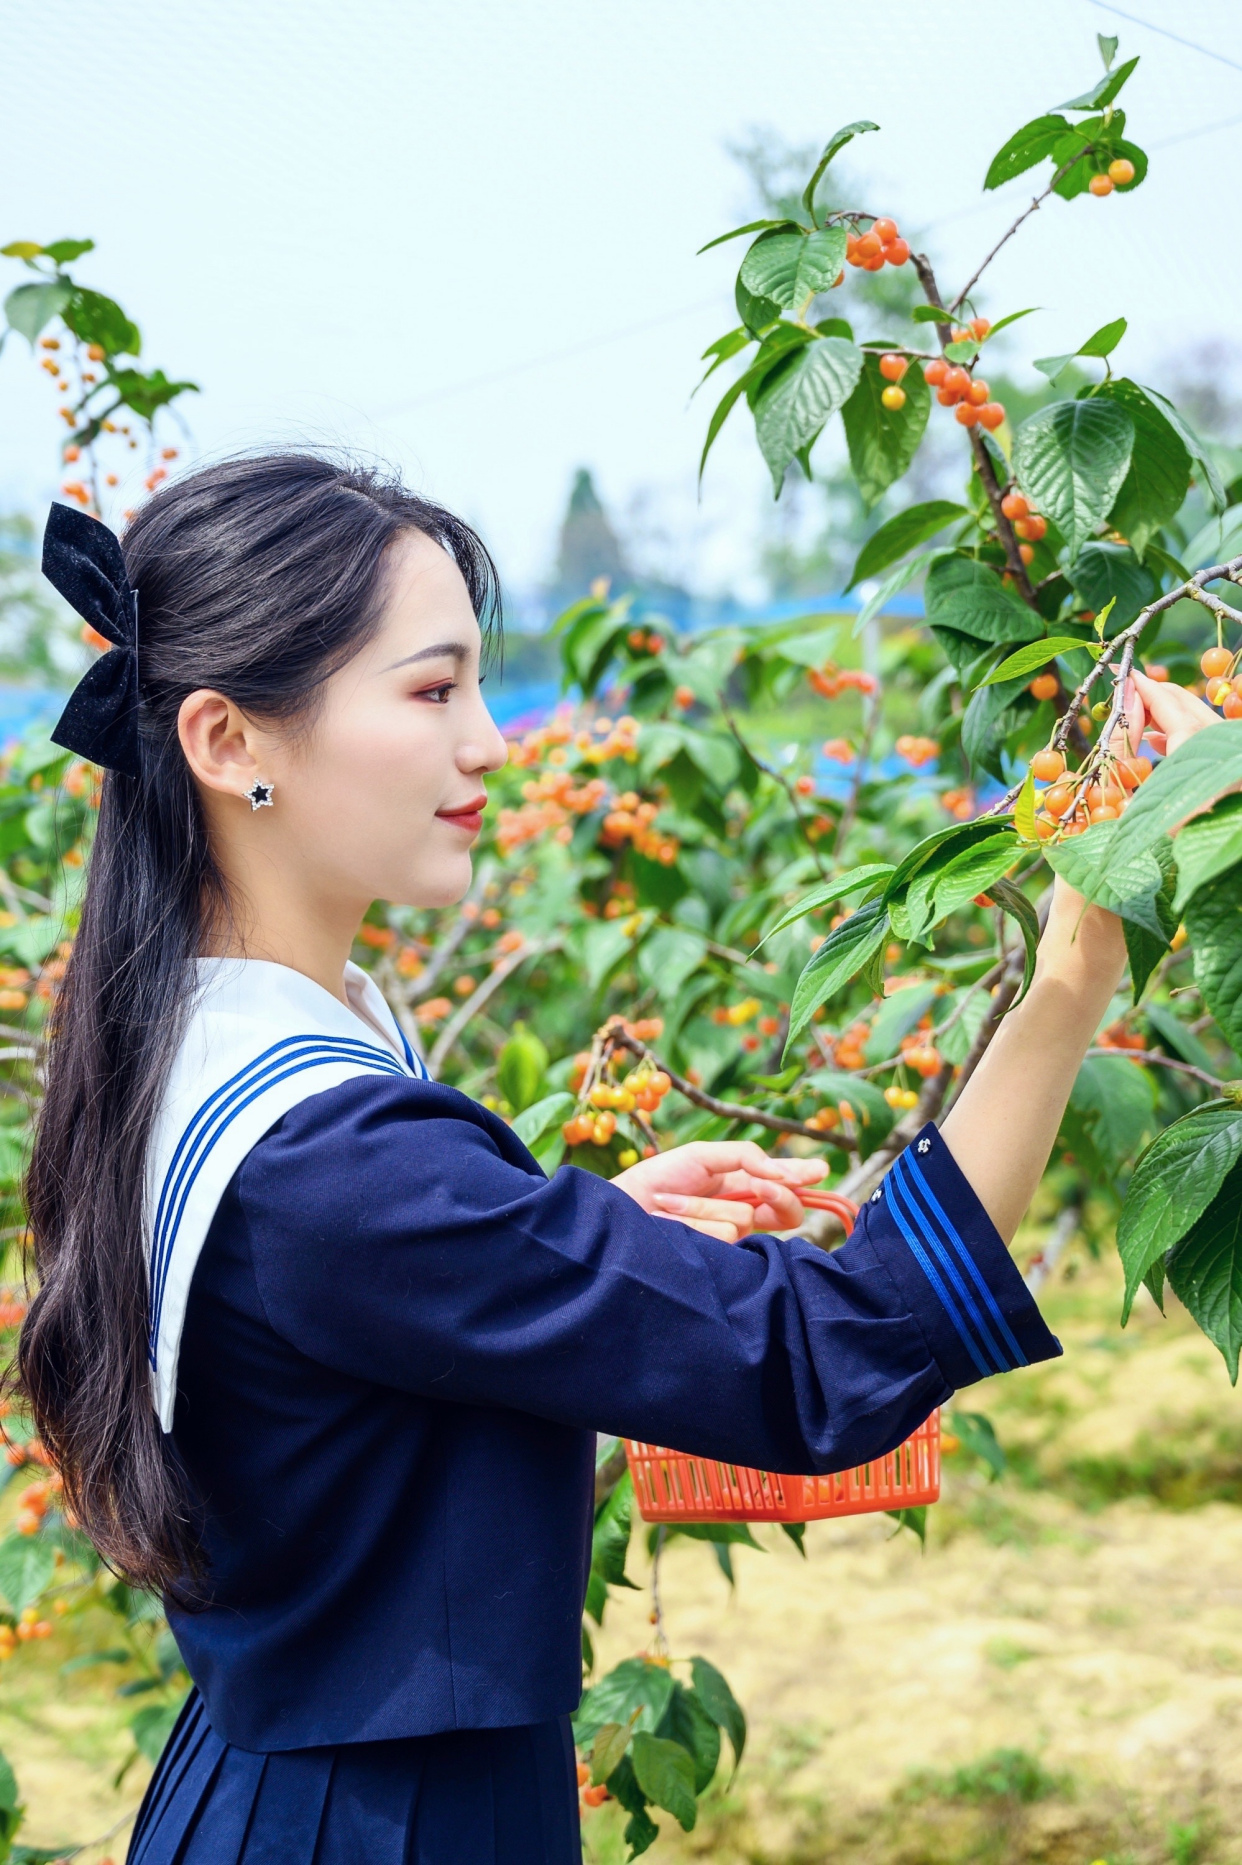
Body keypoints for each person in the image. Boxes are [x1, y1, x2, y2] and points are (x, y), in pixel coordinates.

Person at [11, 456, 1128, 1865]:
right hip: (392, 1828)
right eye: (430, 690)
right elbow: (825, 1355)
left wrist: (561, 1228)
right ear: (230, 741)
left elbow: (353, 1328)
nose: (490, 741)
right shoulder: (338, 1159)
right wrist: (1075, 972)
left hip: (277, 1792)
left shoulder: (192, 1043)